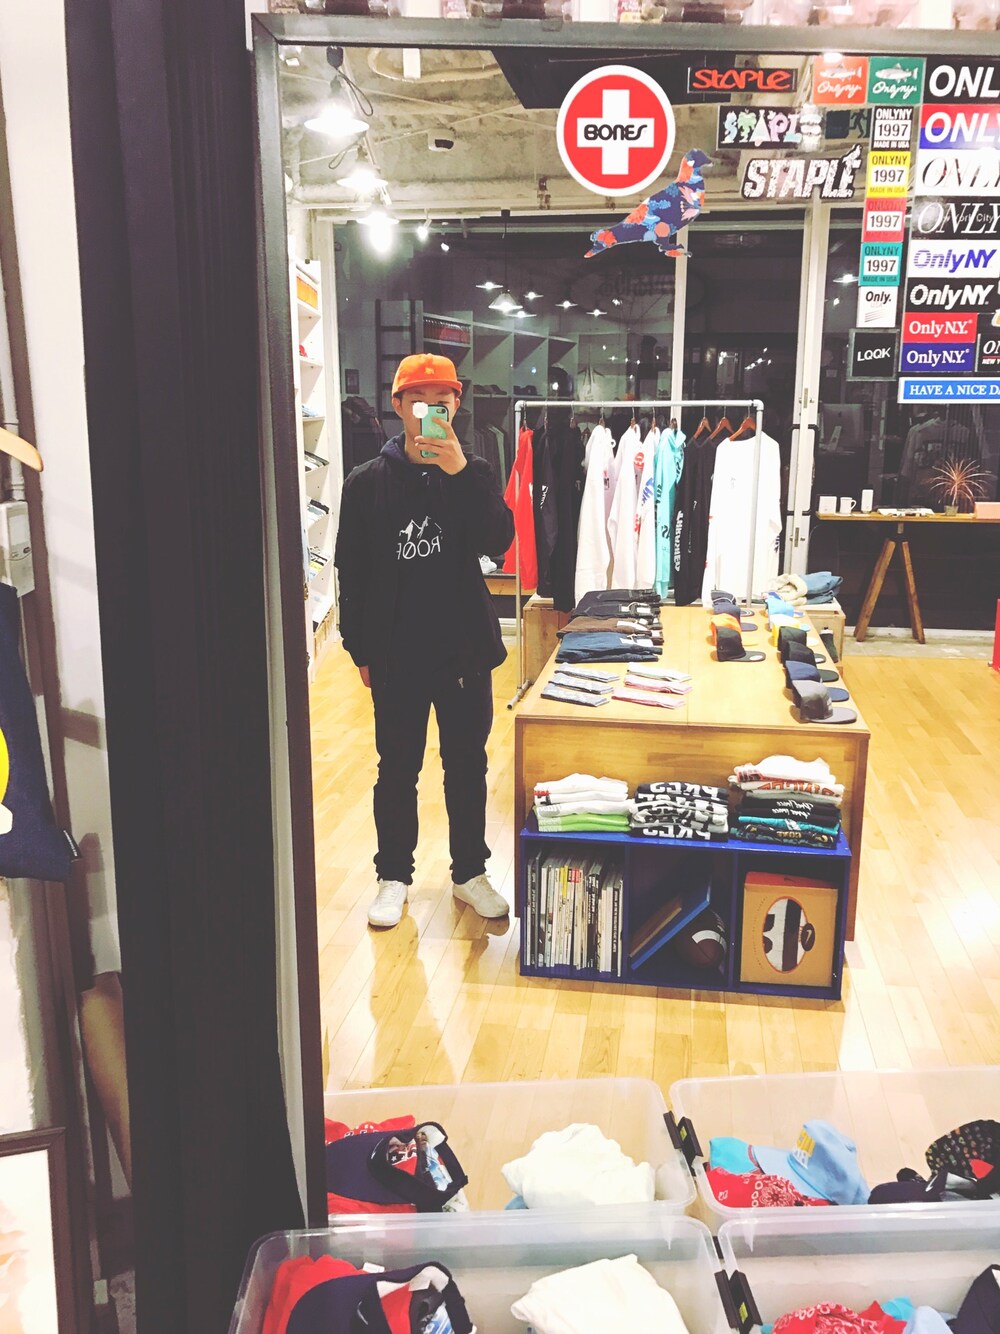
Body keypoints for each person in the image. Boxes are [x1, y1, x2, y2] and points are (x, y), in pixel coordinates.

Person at [335, 353, 514, 928]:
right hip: (396, 655)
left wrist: (462, 475)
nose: (431, 412)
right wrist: (359, 650)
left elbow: (498, 541)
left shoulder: (473, 472)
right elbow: (351, 572)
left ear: (457, 406)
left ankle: (470, 873)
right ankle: (393, 876)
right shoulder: (366, 483)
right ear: (398, 406)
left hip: (463, 652)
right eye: (419, 402)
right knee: (396, 769)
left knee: (467, 766)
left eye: (443, 402)